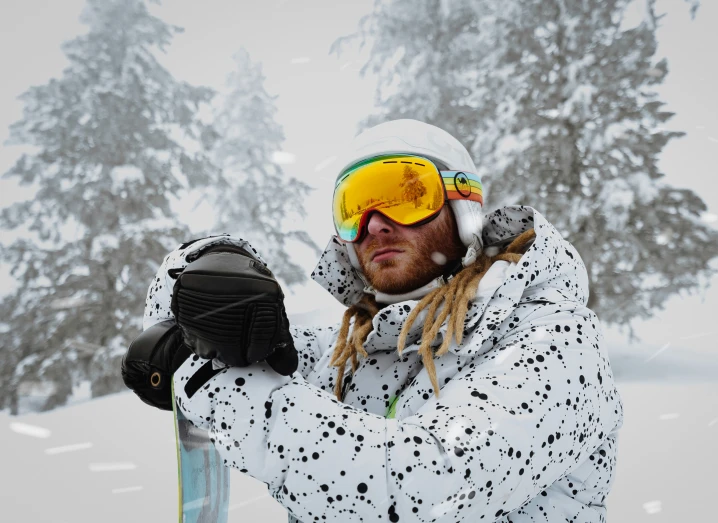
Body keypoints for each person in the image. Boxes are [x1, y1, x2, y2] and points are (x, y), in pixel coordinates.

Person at [122, 119, 624, 522]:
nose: (376, 224)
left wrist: (216, 384)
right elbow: (201, 331)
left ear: (464, 208)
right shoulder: (351, 351)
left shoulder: (554, 339)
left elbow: (421, 490)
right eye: (355, 207)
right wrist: (207, 271)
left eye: (406, 196)